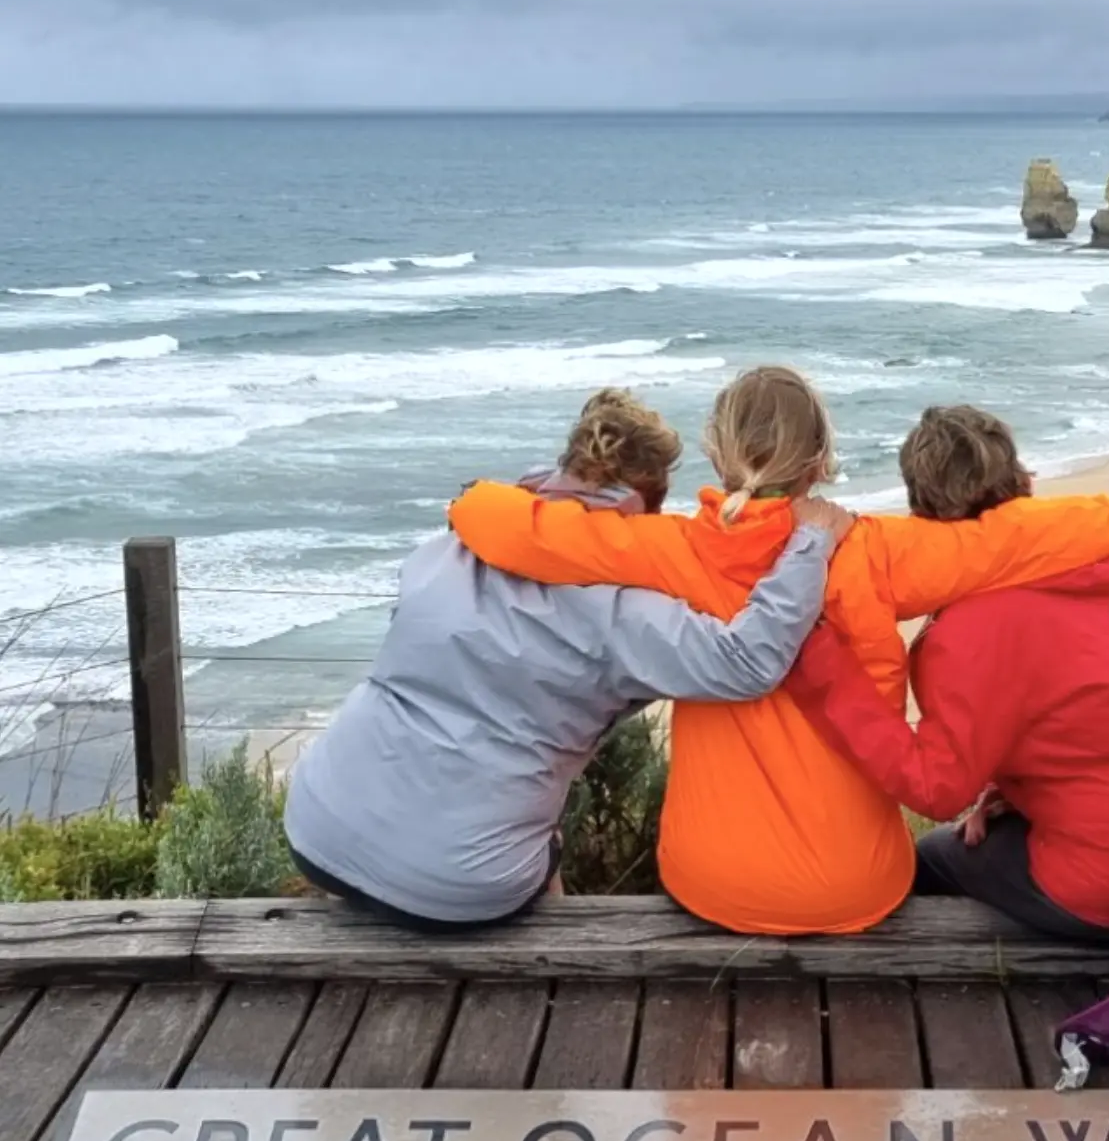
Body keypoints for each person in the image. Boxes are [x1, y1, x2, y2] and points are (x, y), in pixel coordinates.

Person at [445, 366, 1109, 935]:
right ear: (822, 461)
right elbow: (1048, 533)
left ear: (717, 452)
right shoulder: (875, 550)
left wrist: (472, 497)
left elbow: (498, 524)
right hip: (857, 887)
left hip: (712, 885)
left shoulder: (669, 551)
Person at [283, 388, 852, 929]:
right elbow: (746, 662)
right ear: (646, 505)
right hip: (461, 881)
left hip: (315, 824)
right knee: (542, 850)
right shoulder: (622, 612)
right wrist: (810, 544)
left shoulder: (447, 546)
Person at [786, 404, 1109, 942]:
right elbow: (1092, 713)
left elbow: (935, 788)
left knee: (927, 860)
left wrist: (828, 670)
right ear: (1021, 481)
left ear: (920, 511)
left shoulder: (975, 625)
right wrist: (1012, 786)